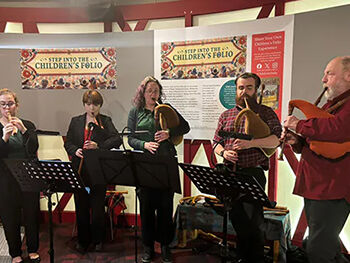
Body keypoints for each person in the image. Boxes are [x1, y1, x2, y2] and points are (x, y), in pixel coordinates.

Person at [282, 56, 350, 263]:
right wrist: (298, 141)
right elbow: (323, 146)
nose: (323, 80)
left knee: (319, 249)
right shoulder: (332, 105)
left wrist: (299, 125)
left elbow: (338, 130)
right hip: (318, 185)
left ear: (348, 76)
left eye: (329, 73)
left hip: (332, 188)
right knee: (323, 245)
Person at [213, 72, 281, 263]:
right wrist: (224, 153)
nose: (244, 91)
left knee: (254, 225)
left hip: (253, 174)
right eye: (241, 87)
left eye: (249, 88)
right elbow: (216, 142)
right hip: (230, 174)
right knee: (239, 222)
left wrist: (250, 143)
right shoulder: (226, 115)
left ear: (256, 90)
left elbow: (276, 139)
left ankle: (255, 258)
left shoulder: (266, 113)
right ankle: (243, 258)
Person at [127, 76, 190, 263]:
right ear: (142, 93)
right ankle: (147, 247)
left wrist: (169, 133)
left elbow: (185, 127)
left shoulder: (167, 108)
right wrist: (144, 144)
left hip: (165, 163)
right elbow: (130, 138)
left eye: (156, 90)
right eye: (149, 91)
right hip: (144, 164)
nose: (153, 94)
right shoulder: (135, 112)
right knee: (146, 209)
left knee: (165, 207)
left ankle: (165, 246)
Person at [64, 90, 122, 253]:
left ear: (100, 106)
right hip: (80, 169)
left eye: (95, 104)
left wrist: (99, 146)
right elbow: (68, 143)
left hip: (98, 170)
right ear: (84, 105)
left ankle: (98, 239)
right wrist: (75, 150)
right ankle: (83, 240)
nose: (92, 108)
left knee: (97, 207)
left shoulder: (105, 121)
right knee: (81, 206)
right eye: (89, 104)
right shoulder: (76, 121)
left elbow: (116, 139)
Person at [0, 89, 40, 263]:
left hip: (27, 176)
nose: (7, 107)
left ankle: (33, 249)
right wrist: (5, 138)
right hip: (6, 178)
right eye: (3, 104)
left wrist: (24, 131)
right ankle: (15, 253)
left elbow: (33, 149)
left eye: (10, 103)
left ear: (17, 105)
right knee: (10, 217)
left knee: (31, 215)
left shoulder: (28, 125)